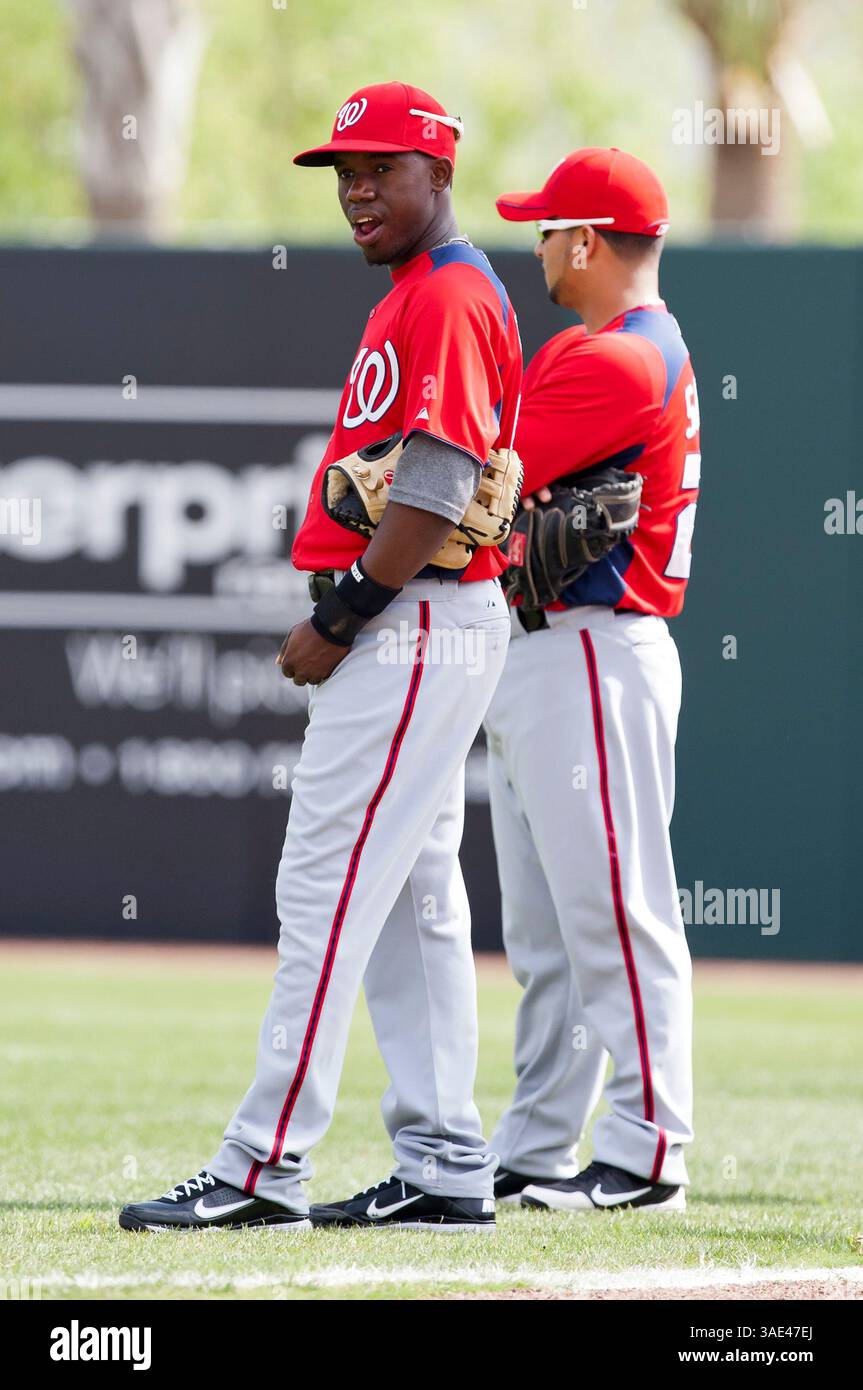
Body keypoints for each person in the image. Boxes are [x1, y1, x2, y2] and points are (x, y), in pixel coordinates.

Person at [119, 82, 522, 1233]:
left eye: (380, 169)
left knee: (327, 882)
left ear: (437, 173)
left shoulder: (443, 293)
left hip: (414, 621)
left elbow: (441, 485)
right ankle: (447, 1161)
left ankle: (262, 1165)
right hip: (435, 621)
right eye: (343, 172)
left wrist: (342, 613)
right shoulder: (425, 289)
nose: (355, 190)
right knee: (409, 898)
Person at [485, 148, 699, 1213]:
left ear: (584, 240)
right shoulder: (608, 347)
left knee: (615, 912)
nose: (535, 246)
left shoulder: (615, 357)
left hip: (589, 643)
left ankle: (648, 1146)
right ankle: (535, 1143)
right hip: (554, 646)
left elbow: (476, 472)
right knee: (547, 935)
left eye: (545, 227)